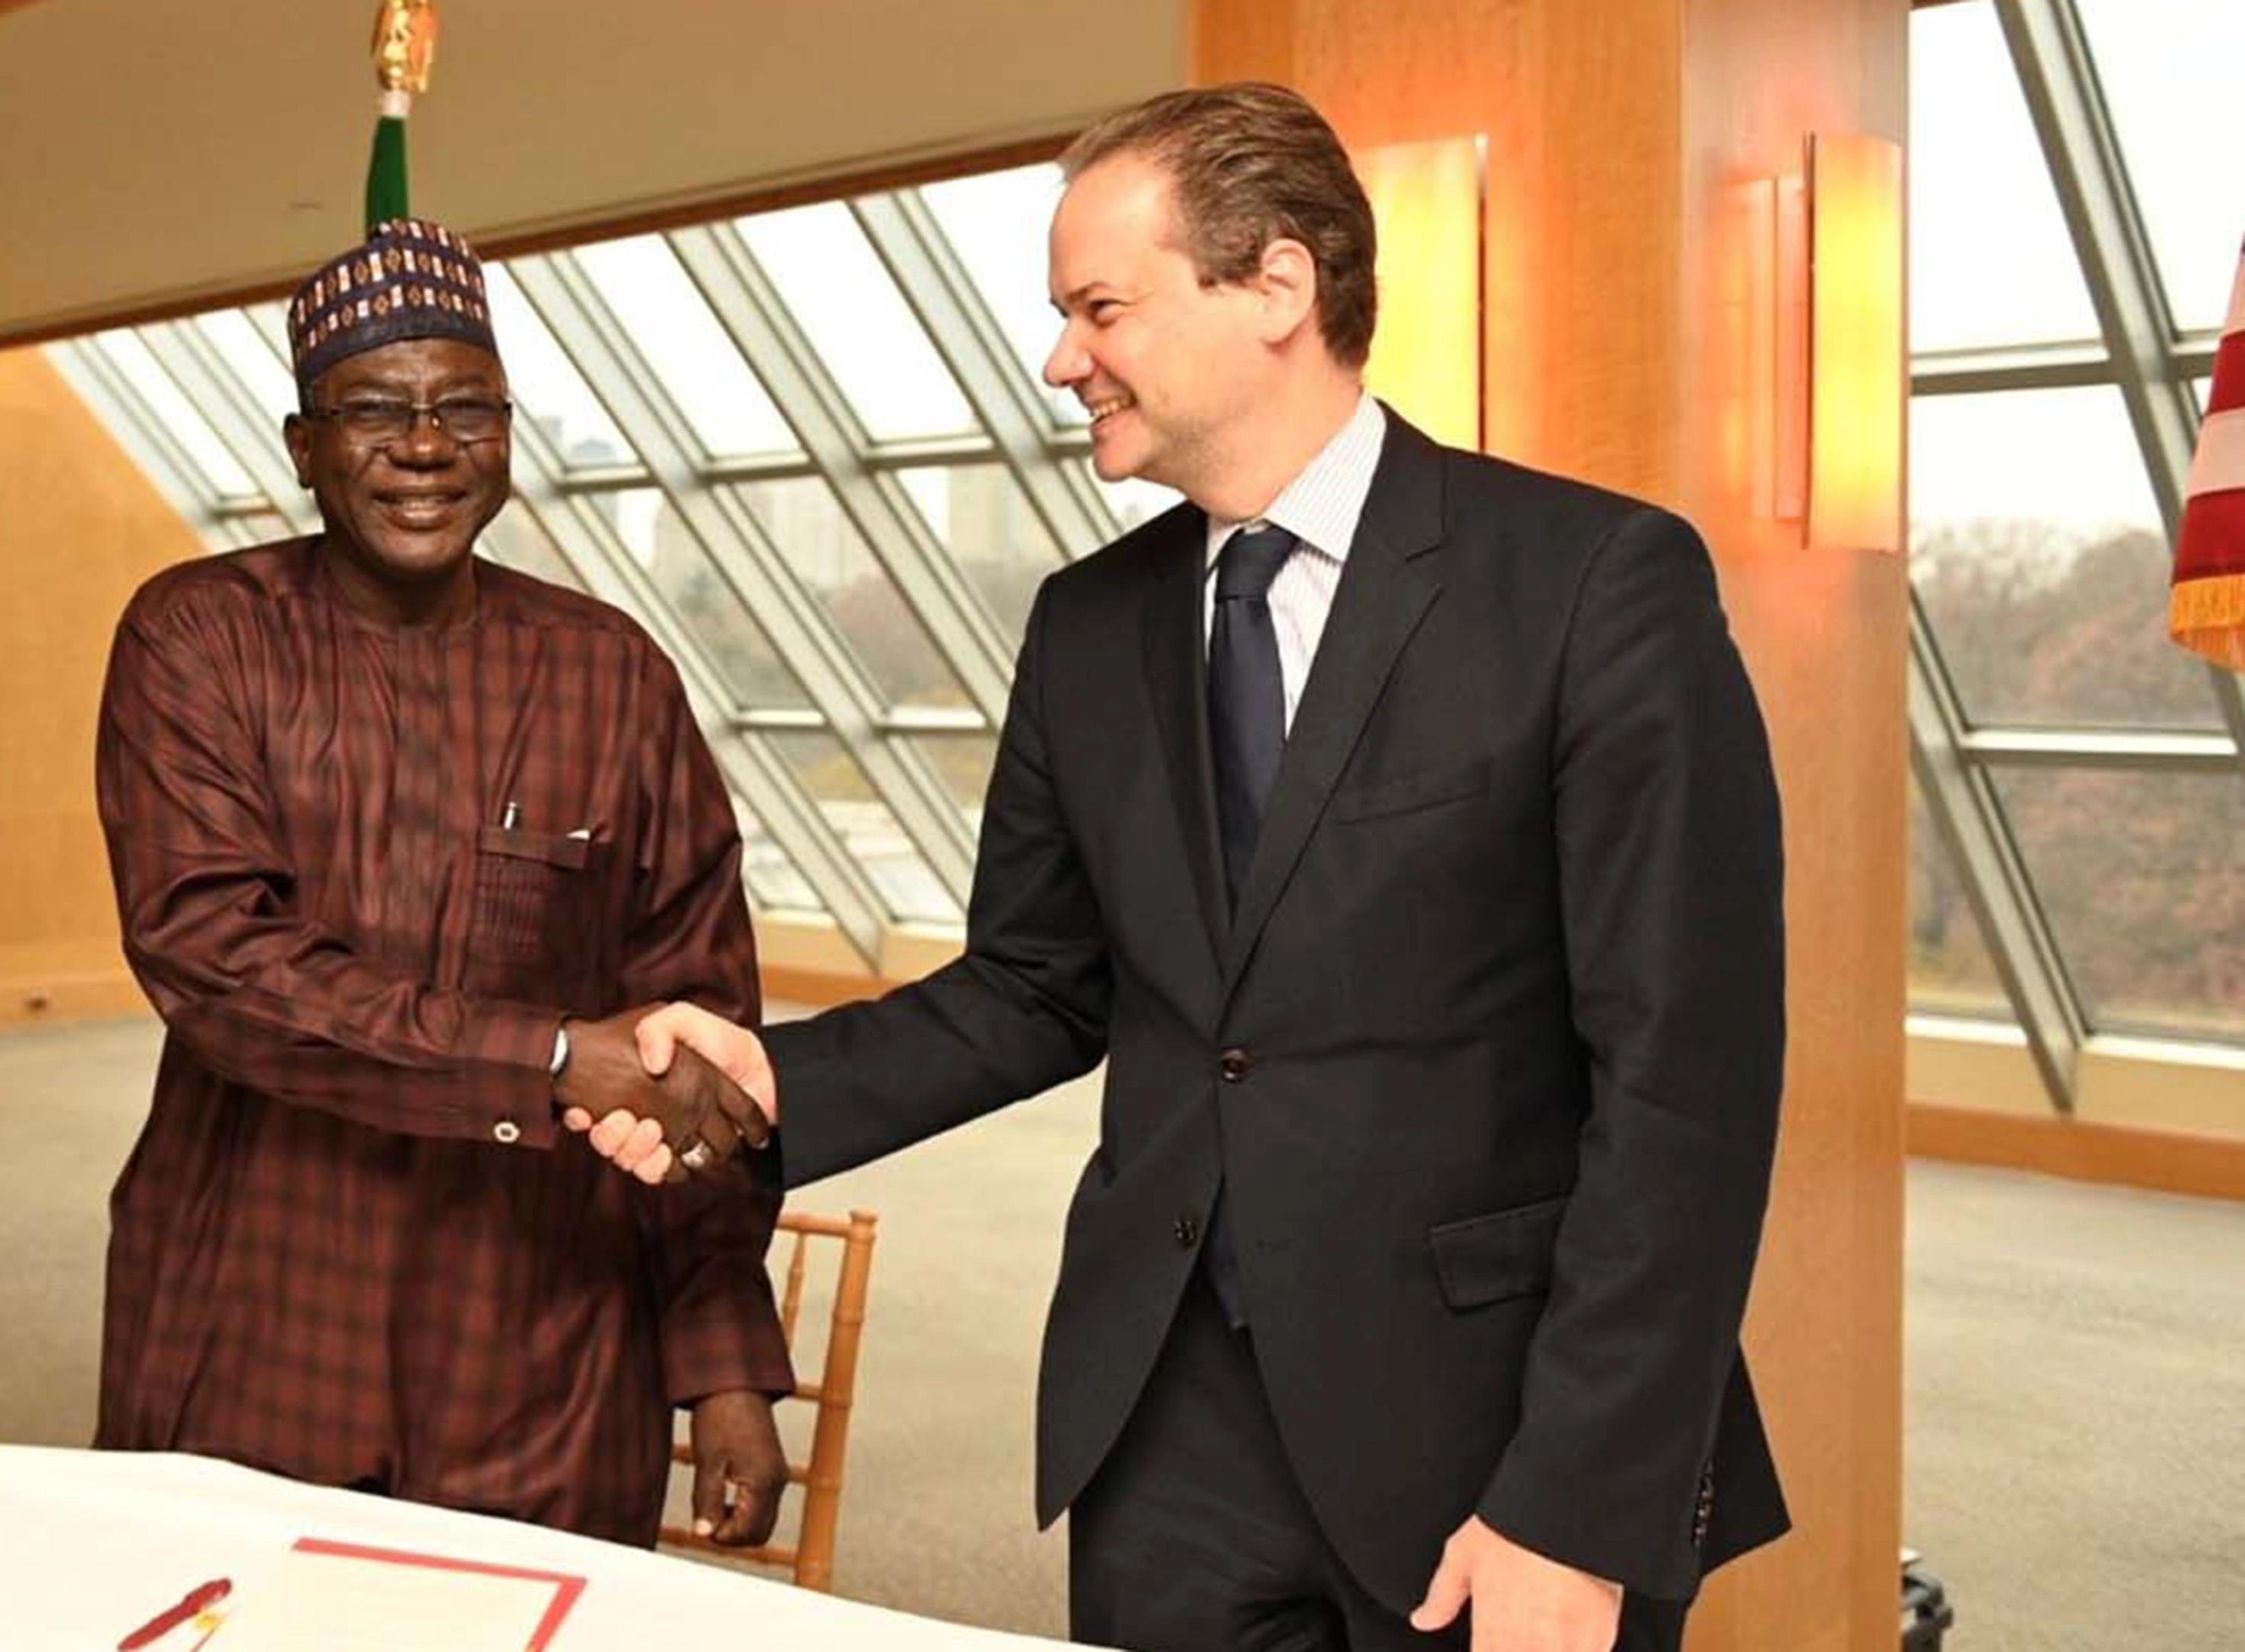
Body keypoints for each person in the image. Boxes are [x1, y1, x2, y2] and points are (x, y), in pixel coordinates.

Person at [608, 85, 1790, 1650]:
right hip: (1168, 1424)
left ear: (1277, 286)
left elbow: (1687, 1084)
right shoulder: (1086, 626)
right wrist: (772, 1083)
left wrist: (1578, 1501)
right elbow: (1037, 984)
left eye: (1099, 309)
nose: (1060, 360)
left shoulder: (1591, 584)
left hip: (1493, 1428)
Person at [92, 215, 788, 1551]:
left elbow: (696, 1039)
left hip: (541, 1348)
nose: (425, 446)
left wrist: (723, 1364)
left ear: (508, 435)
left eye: (466, 409)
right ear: (304, 447)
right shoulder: (199, 638)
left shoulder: (612, 675)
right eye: (373, 411)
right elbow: (218, 964)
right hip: (258, 1317)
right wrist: (550, 1059)